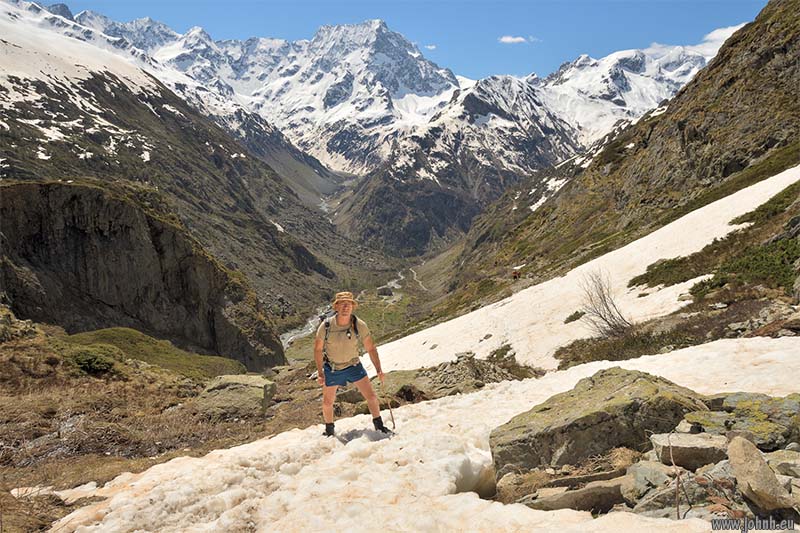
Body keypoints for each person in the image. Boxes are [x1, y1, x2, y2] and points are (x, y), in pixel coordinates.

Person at [314, 291, 390, 436]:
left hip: (354, 365)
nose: (346, 307)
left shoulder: (359, 325)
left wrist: (379, 369)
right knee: (327, 402)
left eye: (348, 304)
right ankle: (329, 430)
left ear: (352, 307)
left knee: (372, 396)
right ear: (336, 306)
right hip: (333, 368)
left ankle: (379, 425)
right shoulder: (326, 326)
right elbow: (317, 349)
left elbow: (370, 348)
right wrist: (320, 372)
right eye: (342, 304)